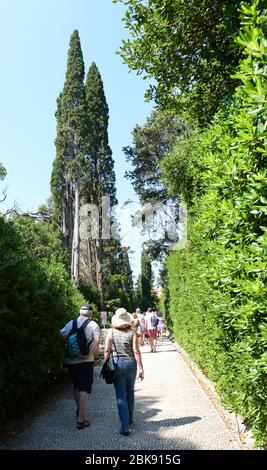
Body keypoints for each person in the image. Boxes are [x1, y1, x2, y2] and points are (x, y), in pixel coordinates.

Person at [104, 308, 144, 436]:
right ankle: (130, 418)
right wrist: (141, 368)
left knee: (120, 396)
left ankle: (124, 426)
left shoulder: (110, 332)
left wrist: (106, 365)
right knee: (130, 392)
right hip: (131, 364)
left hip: (116, 364)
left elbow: (106, 350)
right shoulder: (132, 333)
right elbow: (136, 350)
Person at [60, 304, 100, 429]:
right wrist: (88, 354)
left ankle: (79, 411)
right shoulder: (93, 324)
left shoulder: (71, 323)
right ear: (91, 314)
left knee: (76, 386)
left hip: (71, 360)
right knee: (84, 388)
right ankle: (81, 419)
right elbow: (97, 340)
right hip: (86, 361)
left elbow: (62, 334)